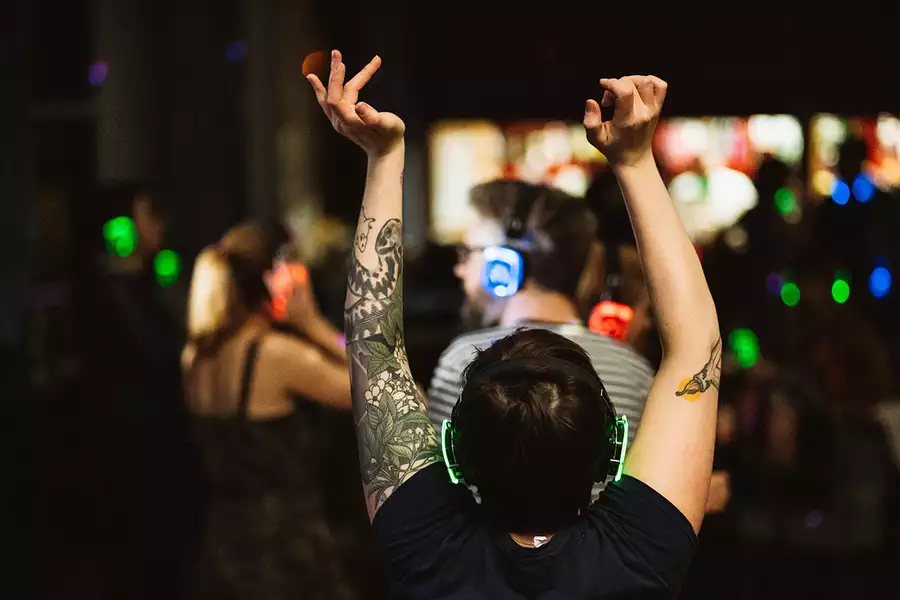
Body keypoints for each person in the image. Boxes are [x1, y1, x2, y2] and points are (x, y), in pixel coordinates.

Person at [308, 50, 720, 598]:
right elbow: (696, 347)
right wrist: (635, 161)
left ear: (452, 454)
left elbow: (372, 344)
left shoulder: (426, 546)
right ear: (612, 451)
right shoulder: (640, 553)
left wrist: (384, 158)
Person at [427, 180, 654, 503]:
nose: (459, 268)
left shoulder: (460, 359)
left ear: (504, 266)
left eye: (468, 252)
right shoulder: (634, 369)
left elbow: (442, 491)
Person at [182, 221, 358, 600]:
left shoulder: (194, 355)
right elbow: (376, 390)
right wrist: (312, 322)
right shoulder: (275, 354)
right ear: (275, 278)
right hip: (286, 550)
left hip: (222, 545)